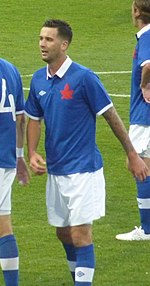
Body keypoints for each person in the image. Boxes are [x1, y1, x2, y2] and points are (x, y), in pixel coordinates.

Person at [25, 19, 148, 285]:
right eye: (40, 38)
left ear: (64, 44)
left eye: (49, 39)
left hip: (84, 171)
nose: (42, 44)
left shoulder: (84, 78)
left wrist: (132, 154)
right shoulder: (38, 80)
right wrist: (32, 152)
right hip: (56, 172)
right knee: (64, 234)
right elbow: (34, 118)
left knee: (81, 235)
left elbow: (111, 115)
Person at [116, 0, 150, 241]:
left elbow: (148, 64)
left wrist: (144, 84)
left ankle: (147, 229)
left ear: (137, 11)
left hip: (144, 114)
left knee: (137, 165)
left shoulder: (146, 35)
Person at [0, 58, 30, 286]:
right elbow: (21, 119)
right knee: (3, 224)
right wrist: (19, 156)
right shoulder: (11, 69)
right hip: (7, 160)